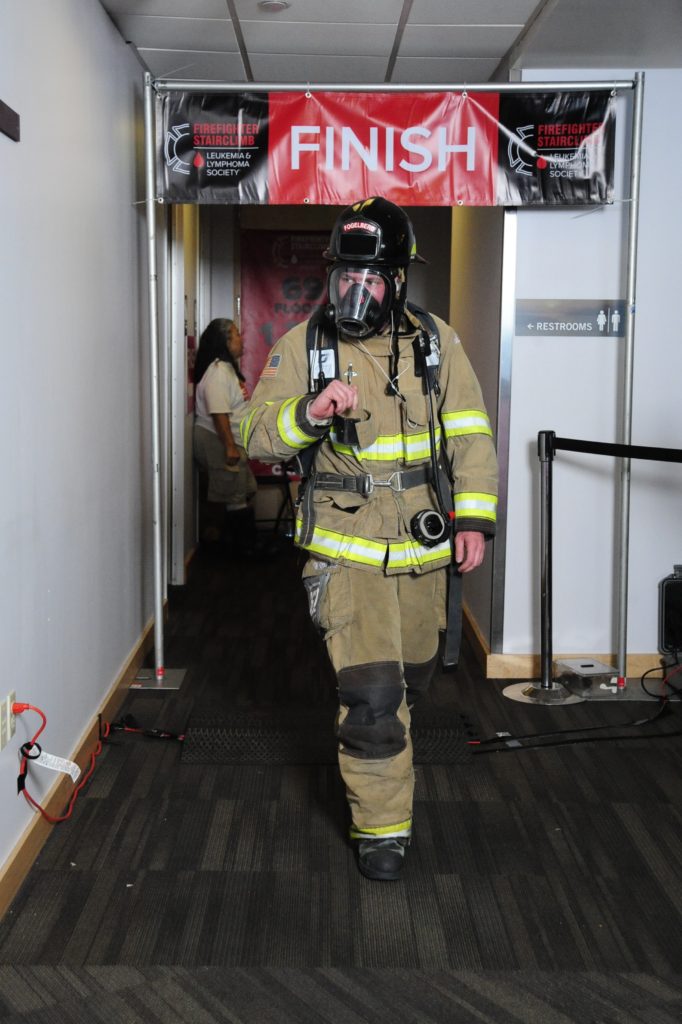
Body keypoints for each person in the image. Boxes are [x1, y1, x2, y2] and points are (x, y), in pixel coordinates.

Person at [241, 197, 498, 880]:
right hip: (344, 553)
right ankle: (381, 829)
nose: (357, 292)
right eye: (346, 278)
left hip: (422, 554)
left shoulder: (436, 343)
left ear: (398, 281)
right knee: (374, 697)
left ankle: (389, 771)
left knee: (411, 681)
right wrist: (309, 411)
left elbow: (470, 433)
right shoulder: (305, 347)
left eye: (372, 280)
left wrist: (473, 519)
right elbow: (251, 431)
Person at [193, 317, 258, 553]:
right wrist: (230, 446)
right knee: (233, 494)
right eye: (236, 334)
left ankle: (239, 545)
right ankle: (240, 549)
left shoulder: (228, 369)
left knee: (243, 489)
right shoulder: (218, 371)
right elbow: (219, 412)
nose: (241, 339)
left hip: (231, 441)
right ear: (225, 341)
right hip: (218, 440)